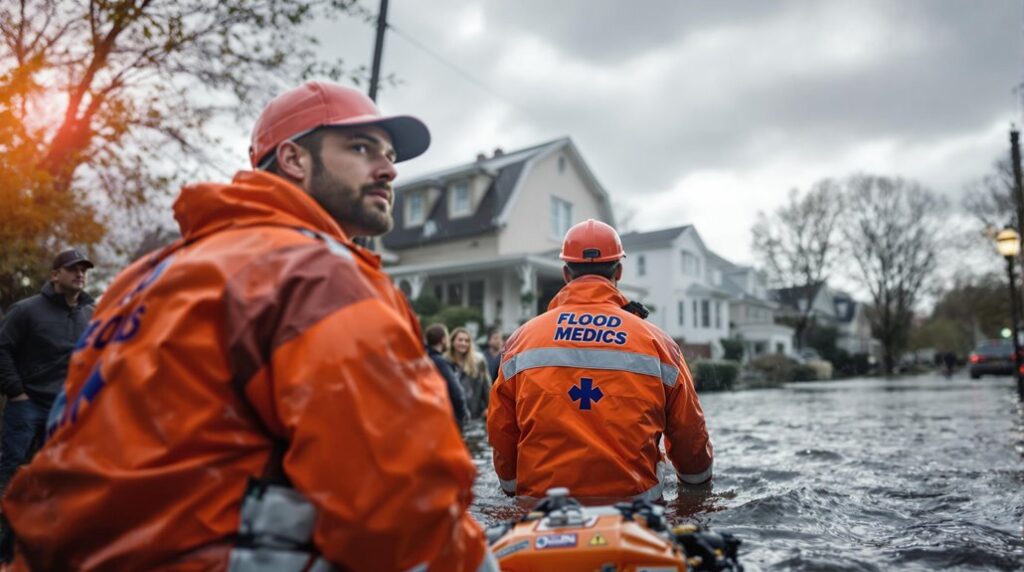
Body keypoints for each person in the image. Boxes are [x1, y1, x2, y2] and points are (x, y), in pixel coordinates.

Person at [3, 81, 493, 571]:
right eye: (362, 148)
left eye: (388, 155)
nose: (388, 169)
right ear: (294, 159)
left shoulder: (143, 278)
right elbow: (402, 505)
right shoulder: (314, 273)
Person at [487, 219, 713, 501]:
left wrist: (511, 487)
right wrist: (696, 488)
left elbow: (501, 430)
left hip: (543, 512)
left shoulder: (521, 341)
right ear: (618, 270)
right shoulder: (659, 343)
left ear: (566, 273)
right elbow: (690, 434)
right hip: (636, 512)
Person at [0, 249, 95, 494]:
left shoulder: (91, 314)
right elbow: (2, 348)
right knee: (11, 466)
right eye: (73, 269)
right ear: (55, 275)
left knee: (54, 472)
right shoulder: (26, 310)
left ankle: (36, 526)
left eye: (83, 270)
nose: (80, 274)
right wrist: (16, 391)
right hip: (27, 403)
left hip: (66, 409)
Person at [426, 322, 470, 430]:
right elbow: (457, 392)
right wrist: (461, 416)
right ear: (442, 340)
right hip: (447, 418)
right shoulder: (441, 362)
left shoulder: (424, 359)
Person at [447, 327, 491, 419]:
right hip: (452, 413)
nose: (463, 343)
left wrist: (489, 407)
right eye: (460, 340)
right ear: (452, 342)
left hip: (476, 413)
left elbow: (486, 386)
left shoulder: (479, 361)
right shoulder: (445, 362)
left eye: (467, 341)